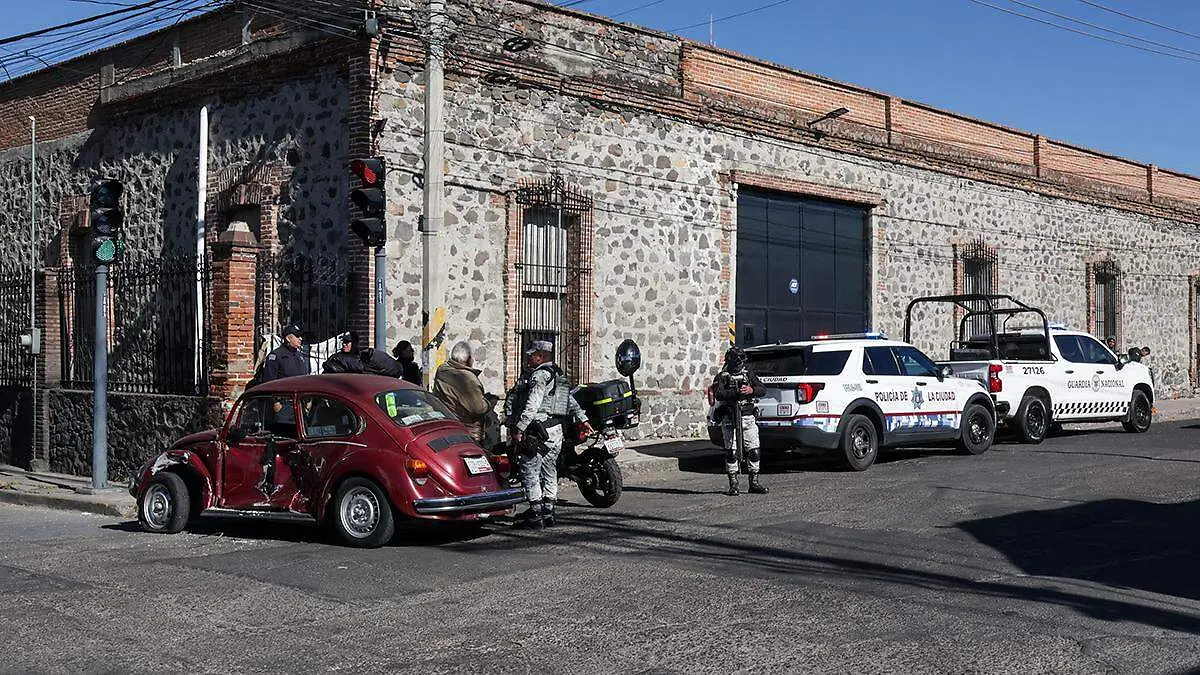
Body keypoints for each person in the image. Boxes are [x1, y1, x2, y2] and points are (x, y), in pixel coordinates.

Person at [511, 340, 593, 529]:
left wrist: (519, 429)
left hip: (538, 430)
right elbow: (570, 401)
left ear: (540, 356)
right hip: (556, 431)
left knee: (530, 470)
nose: (528, 358)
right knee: (550, 470)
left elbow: (532, 405)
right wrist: (583, 419)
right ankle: (549, 512)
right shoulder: (559, 375)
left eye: (531, 355)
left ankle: (535, 513)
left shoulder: (539, 376)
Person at [711, 346, 769, 496]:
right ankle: (734, 484)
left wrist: (751, 390)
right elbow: (719, 393)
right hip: (729, 417)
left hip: (747, 417)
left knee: (754, 451)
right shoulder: (722, 376)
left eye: (740, 361)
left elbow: (762, 389)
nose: (738, 364)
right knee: (732, 452)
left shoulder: (748, 374)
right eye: (736, 361)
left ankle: (754, 482)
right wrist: (735, 392)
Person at [431, 341, 493, 442]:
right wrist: (487, 402)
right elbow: (477, 409)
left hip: (447, 427)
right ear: (468, 359)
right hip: (468, 433)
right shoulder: (469, 379)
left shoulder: (442, 370)